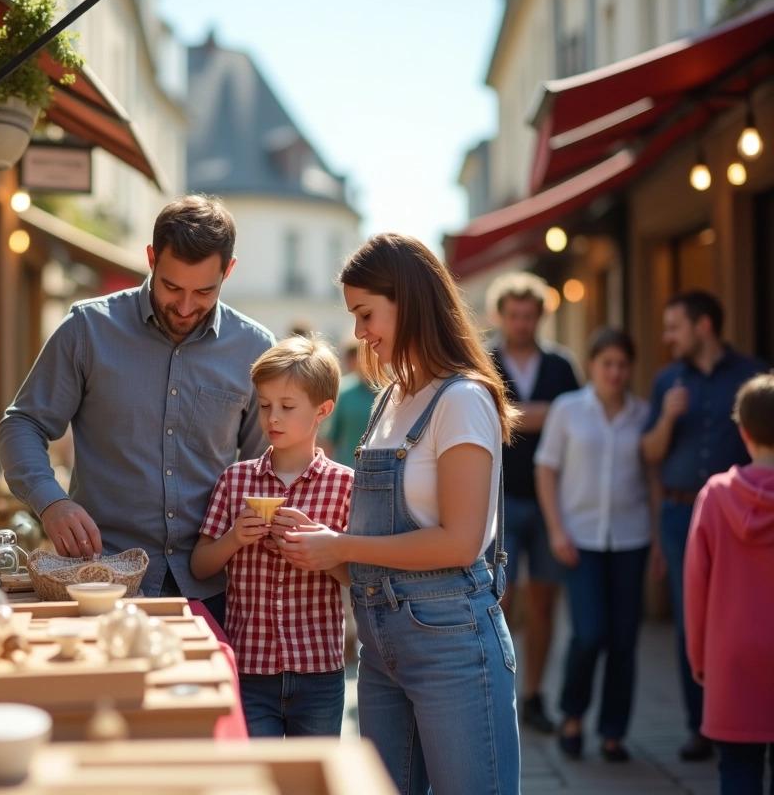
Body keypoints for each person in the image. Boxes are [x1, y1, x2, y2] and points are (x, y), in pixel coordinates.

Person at [277, 233, 520, 794]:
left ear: (407, 301)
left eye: (366, 314)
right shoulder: (390, 398)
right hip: (379, 645)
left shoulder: (461, 399)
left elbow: (460, 543)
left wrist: (341, 546)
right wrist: (321, 546)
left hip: (450, 643)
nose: (359, 333)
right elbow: (373, 544)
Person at [0, 194, 275, 628]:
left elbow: (265, 471)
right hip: (98, 581)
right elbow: (22, 425)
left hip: (216, 591)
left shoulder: (255, 350)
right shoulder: (88, 329)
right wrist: (52, 504)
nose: (185, 308)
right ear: (150, 259)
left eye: (204, 291)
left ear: (228, 271)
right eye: (171, 287)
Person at [191, 335, 353, 738]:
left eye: (287, 406)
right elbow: (199, 563)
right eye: (264, 406)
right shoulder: (236, 479)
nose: (272, 418)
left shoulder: (345, 485)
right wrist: (233, 539)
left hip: (319, 671)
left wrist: (323, 551)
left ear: (323, 410)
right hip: (249, 670)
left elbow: (358, 577)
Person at [641, 290, 769, 761]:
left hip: (746, 519)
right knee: (690, 619)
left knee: (747, 622)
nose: (667, 337)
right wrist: (668, 419)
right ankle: (702, 727)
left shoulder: (755, 375)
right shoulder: (666, 380)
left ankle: (756, 718)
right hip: (681, 517)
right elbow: (650, 455)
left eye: (674, 327)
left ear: (704, 327)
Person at [533, 328, 663, 762]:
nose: (615, 372)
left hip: (631, 538)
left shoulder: (643, 414)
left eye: (623, 365)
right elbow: (546, 470)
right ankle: (573, 715)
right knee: (589, 633)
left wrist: (659, 540)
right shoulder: (568, 410)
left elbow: (651, 479)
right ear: (593, 365)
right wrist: (556, 529)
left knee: (624, 639)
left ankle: (613, 732)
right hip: (580, 538)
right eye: (607, 364)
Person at [486, 270, 580, 733]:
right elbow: (486, 419)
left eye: (530, 315)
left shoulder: (562, 366)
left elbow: (574, 424)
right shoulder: (483, 363)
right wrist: (542, 414)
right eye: (515, 315)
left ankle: (536, 694)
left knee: (544, 601)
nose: (523, 323)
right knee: (498, 601)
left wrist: (511, 415)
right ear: (501, 316)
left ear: (540, 317)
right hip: (494, 501)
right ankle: (499, 694)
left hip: (550, 502)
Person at [685, 373, 774, 794]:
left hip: (732, 660)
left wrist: (699, 657)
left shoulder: (716, 496)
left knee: (737, 768)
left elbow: (696, 588)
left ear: (742, 430)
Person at [318, 336, 379, 466]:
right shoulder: (343, 392)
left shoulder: (390, 392)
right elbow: (328, 440)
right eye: (354, 357)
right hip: (349, 471)